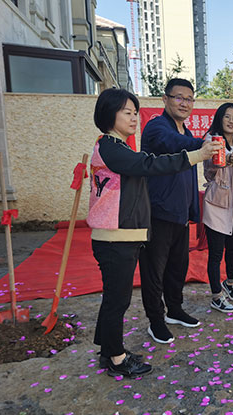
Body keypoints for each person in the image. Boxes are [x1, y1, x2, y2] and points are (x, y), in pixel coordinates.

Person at [88, 88, 219, 377]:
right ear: (109, 114)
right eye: (127, 113)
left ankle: (107, 350)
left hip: (121, 235)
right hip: (115, 236)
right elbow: (150, 164)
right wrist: (198, 154)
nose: (134, 118)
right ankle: (117, 358)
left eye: (135, 112)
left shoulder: (117, 147)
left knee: (114, 298)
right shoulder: (111, 147)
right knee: (118, 300)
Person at [139, 78, 205, 344]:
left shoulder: (186, 132)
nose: (184, 103)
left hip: (180, 213)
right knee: (154, 270)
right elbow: (173, 143)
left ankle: (174, 310)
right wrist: (204, 143)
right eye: (179, 97)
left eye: (189, 99)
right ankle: (155, 320)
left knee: (178, 267)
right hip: (158, 212)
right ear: (165, 99)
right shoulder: (157, 127)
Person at [202, 103, 233, 313]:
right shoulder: (211, 140)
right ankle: (216, 296)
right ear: (219, 119)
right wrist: (227, 160)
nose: (231, 121)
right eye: (227, 116)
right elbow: (210, 167)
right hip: (217, 204)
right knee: (216, 253)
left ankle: (230, 283)